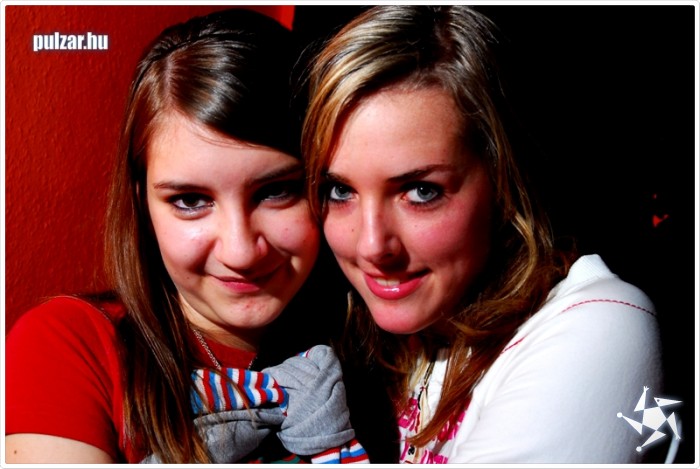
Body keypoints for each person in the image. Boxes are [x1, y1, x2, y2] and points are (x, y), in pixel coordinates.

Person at [301, 5, 664, 464]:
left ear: (500, 179)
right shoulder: (365, 341)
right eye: (340, 190)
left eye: (421, 191)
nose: (372, 246)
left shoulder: (598, 326)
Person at [5, 8, 368, 464]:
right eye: (191, 200)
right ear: (143, 205)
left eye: (276, 191)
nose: (240, 251)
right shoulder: (70, 346)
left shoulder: (380, 342)